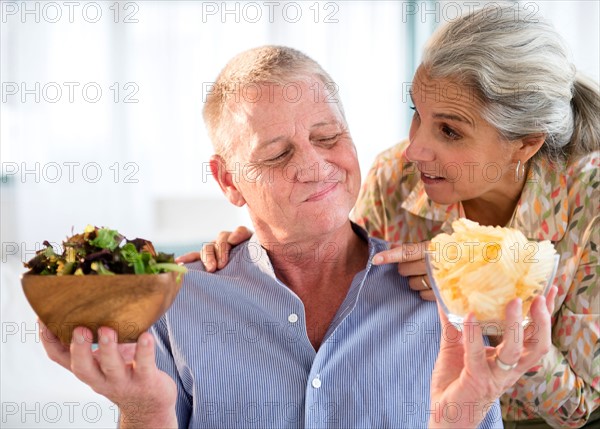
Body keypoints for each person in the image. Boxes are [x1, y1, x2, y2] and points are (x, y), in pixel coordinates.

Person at [40, 45, 556, 428]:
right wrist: (142, 411)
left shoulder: (442, 302)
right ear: (228, 181)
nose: (316, 166)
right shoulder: (174, 304)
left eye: (328, 137)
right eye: (276, 154)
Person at [181, 4, 600, 428]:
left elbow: (575, 407)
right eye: (417, 113)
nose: (414, 149)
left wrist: (482, 300)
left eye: (450, 131)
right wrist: (258, 246)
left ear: (525, 144)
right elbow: (332, 260)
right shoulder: (396, 180)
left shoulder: (591, 203)